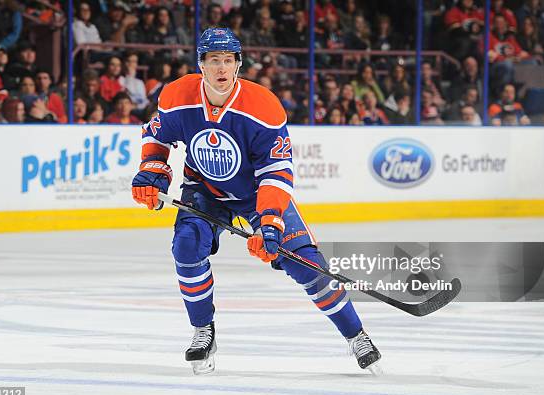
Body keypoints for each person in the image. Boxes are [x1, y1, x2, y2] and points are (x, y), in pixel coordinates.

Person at [131, 28, 381, 375]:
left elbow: (276, 174)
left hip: (255, 196)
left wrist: (270, 223)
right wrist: (153, 171)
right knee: (186, 247)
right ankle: (203, 329)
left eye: (229, 61)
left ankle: (356, 335)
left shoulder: (263, 108)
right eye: (214, 60)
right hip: (204, 189)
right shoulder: (177, 96)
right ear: (201, 64)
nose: (222, 68)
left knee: (306, 263)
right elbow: (155, 135)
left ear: (239, 64)